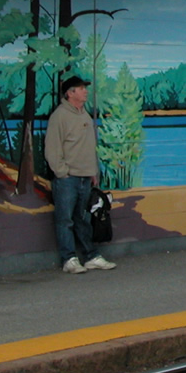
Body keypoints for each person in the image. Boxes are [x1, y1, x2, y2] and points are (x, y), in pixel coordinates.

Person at [44, 76, 116, 273]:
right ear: (70, 93)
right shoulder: (59, 116)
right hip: (68, 178)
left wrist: (93, 171)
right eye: (81, 88)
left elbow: (90, 146)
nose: (85, 91)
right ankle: (69, 259)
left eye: (85, 88)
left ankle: (90, 256)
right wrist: (62, 172)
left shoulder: (84, 115)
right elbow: (52, 148)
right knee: (65, 219)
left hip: (86, 176)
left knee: (83, 218)